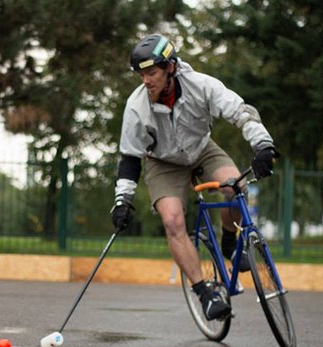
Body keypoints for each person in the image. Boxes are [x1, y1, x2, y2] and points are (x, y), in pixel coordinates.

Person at [111, 34, 280, 321]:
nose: (146, 81)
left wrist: (262, 144)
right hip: (163, 162)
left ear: (171, 68)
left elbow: (241, 112)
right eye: (141, 75)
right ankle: (205, 293)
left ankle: (229, 240)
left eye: (152, 73)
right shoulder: (136, 107)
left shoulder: (202, 85)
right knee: (173, 220)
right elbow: (130, 158)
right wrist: (122, 200)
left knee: (235, 187)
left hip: (202, 149)